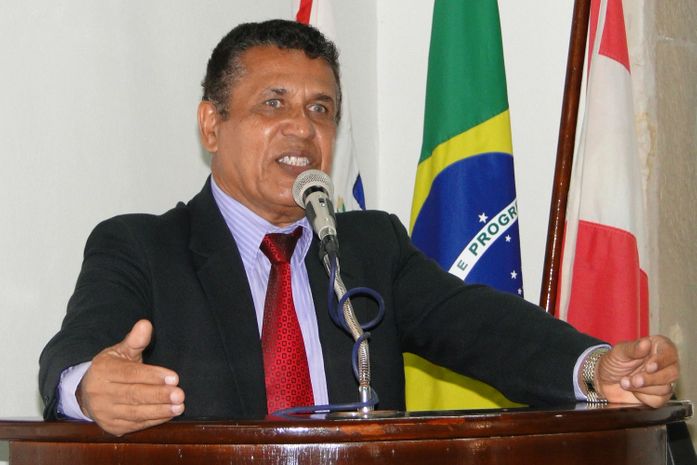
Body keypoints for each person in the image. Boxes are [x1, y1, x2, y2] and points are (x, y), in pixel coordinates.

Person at [39, 19, 679, 437]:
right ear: (212, 125)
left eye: (321, 109)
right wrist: (89, 388)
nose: (302, 128)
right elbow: (72, 354)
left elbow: (484, 328)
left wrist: (594, 368)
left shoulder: (368, 246)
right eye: (273, 103)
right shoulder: (142, 248)